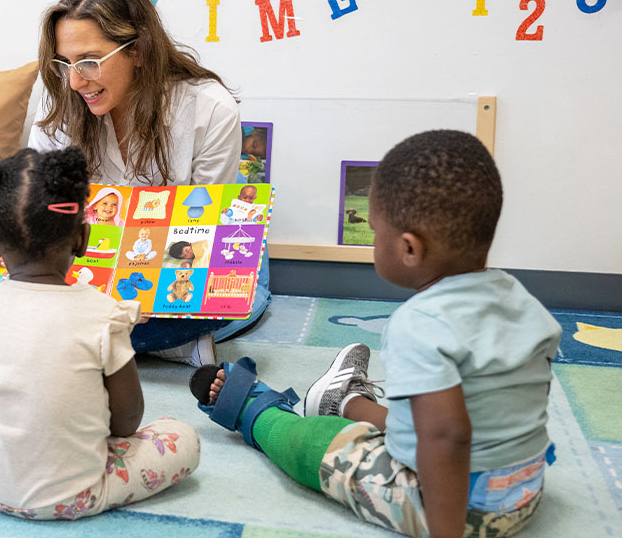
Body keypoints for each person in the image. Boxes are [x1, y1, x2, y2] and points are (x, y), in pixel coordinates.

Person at [190, 130, 562, 537]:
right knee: (429, 410)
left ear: (408, 249)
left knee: (313, 445)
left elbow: (448, 437)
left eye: (373, 231)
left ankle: (255, 412)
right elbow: (521, 399)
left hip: (457, 508)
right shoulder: (520, 297)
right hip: (525, 492)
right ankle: (344, 399)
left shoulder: (420, 324)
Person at [0, 0, 272, 366]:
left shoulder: (210, 109)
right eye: (65, 63)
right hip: (91, 259)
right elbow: (33, 208)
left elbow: (205, 238)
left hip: (183, 254)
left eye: (88, 61)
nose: (74, 81)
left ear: (138, 50)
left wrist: (144, 292)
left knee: (225, 302)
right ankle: (157, 344)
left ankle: (46, 336)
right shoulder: (61, 105)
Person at [0, 146, 199, 519]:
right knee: (183, 438)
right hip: (74, 494)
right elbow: (127, 421)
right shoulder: (103, 314)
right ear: (82, 238)